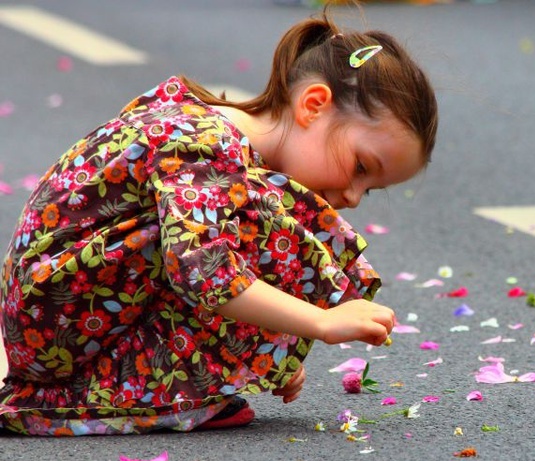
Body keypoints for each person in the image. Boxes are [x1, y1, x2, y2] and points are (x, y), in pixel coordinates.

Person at [0, 8, 438, 436]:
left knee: (259, 221)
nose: (354, 198)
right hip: (52, 328)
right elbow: (202, 271)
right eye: (361, 167)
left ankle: (188, 378)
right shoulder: (205, 146)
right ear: (314, 105)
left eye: (371, 189)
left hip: (59, 308)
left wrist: (253, 351)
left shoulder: (219, 133)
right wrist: (320, 324)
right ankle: (139, 394)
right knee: (254, 233)